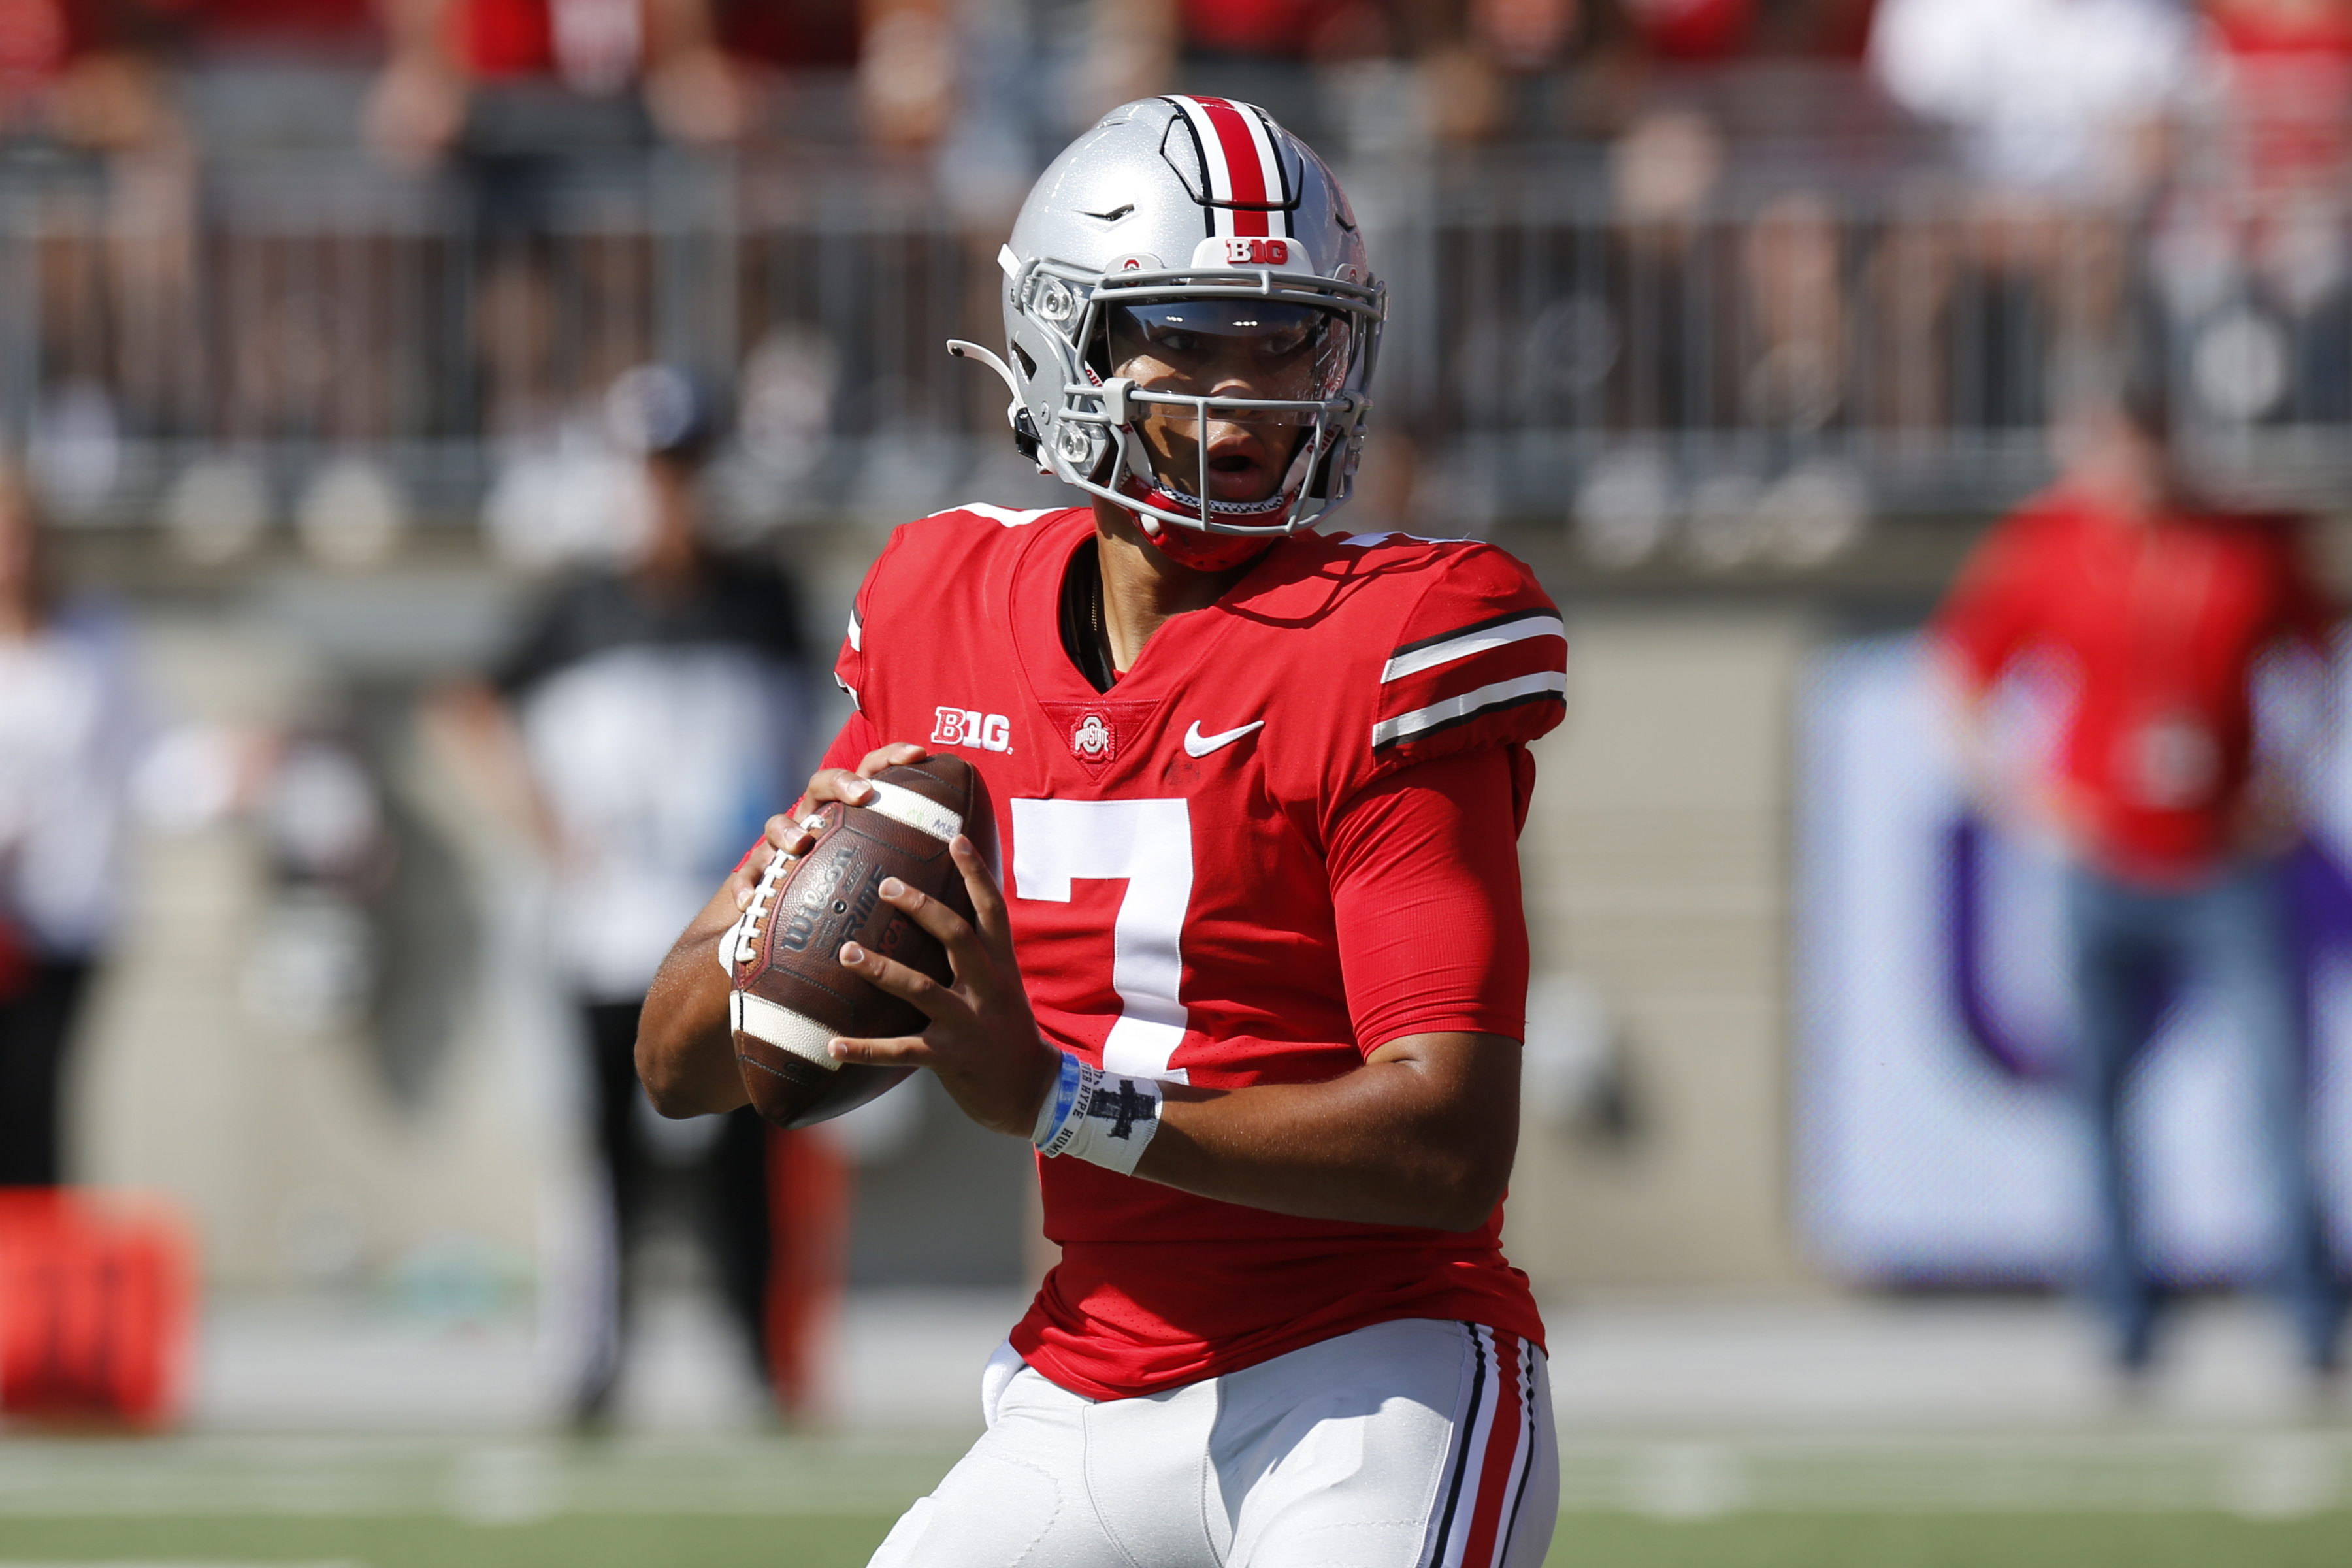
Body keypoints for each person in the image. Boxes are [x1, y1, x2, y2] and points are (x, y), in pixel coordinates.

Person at [639, 96, 1565, 1564]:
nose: (1248, 392)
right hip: (1078, 1389)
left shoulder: (1394, 637)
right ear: (1070, 345)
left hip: (1371, 1375)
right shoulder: (950, 610)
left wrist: (1066, 1102)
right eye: (1189, 338)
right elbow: (681, 1064)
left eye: (1287, 341)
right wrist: (776, 906)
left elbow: (1448, 1142)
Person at [1931, 374, 2346, 1379]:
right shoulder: (2050, 543)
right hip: (2105, 863)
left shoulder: (2250, 537)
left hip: (2226, 861)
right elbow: (1961, 672)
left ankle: (2307, 1311)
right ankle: (2124, 1315)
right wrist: (2025, 799)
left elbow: (2324, 650)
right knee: (2103, 1099)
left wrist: (2294, 778)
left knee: (2275, 1091)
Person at [434, 365, 817, 1423]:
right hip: (610, 930)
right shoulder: (575, 606)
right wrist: (546, 831)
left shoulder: (761, 598)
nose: (671, 494)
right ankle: (593, 1362)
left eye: (686, 469)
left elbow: (821, 726)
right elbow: (468, 709)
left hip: (741, 927)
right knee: (607, 1156)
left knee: (750, 1150)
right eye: (655, 471)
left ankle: (762, 1361)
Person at [0, 464, 150, 1190]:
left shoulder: (92, 640)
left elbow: (149, 760)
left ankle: (25, 1286)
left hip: (60, 915)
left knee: (33, 1104)